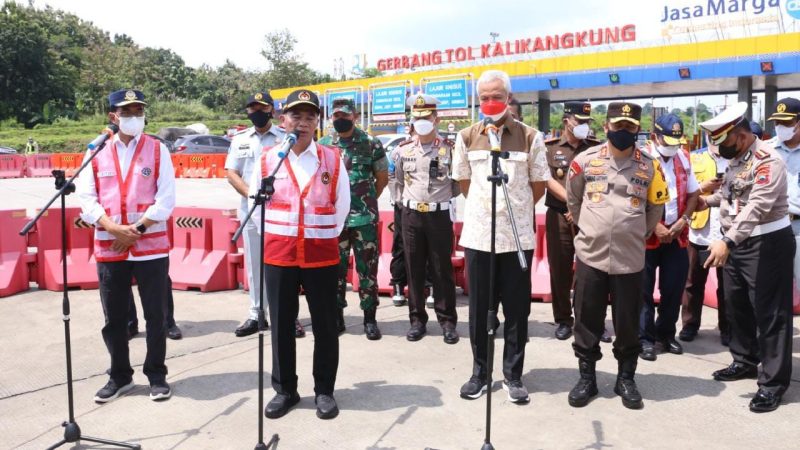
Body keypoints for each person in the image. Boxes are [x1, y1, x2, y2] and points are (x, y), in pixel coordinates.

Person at [251, 89, 349, 420]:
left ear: (318, 122)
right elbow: (256, 206)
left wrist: (322, 235)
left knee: (324, 324)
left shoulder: (332, 159)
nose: (303, 123)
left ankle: (324, 390)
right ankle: (285, 390)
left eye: (310, 117)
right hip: (279, 254)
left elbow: (342, 206)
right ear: (283, 120)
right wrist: (281, 237)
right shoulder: (267, 160)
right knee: (280, 324)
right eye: (296, 116)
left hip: (321, 253)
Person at [452, 70, 549, 404]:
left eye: (497, 96)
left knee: (517, 312)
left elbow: (537, 184)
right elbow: (464, 184)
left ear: (509, 98)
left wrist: (514, 211)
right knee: (479, 311)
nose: (490, 102)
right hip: (479, 237)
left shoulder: (530, 136)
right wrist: (486, 211)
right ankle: (480, 373)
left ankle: (513, 375)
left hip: (517, 238)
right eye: (484, 97)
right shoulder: (465, 137)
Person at [565, 102, 669, 409]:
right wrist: (589, 228)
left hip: (629, 259)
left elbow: (656, 208)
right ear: (607, 125)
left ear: (638, 129)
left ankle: (626, 379)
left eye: (629, 126)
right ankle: (587, 379)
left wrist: (637, 233)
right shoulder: (584, 160)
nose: (623, 131)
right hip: (591, 256)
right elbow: (573, 200)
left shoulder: (650, 166)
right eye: (618, 125)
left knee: (627, 323)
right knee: (586, 320)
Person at [77, 89, 175, 403]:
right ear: (113, 116)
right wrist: (112, 228)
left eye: (138, 110)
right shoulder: (96, 151)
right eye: (127, 111)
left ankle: (157, 376)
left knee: (155, 317)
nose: (134, 116)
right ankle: (120, 377)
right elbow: (86, 198)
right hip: (110, 247)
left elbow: (166, 199)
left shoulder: (158, 150)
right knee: (114, 318)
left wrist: (136, 229)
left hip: (151, 247)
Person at [699, 102, 794, 413]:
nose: (719, 148)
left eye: (722, 142)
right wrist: (705, 200)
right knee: (737, 305)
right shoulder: (738, 159)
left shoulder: (768, 161)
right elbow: (732, 197)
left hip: (766, 244)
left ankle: (772, 383)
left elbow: (758, 206)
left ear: (739, 136)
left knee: (770, 314)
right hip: (737, 244)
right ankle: (744, 360)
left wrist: (726, 240)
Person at [225, 92, 305, 339]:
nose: (257, 112)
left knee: (285, 265)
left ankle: (289, 316)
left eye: (262, 107)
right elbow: (232, 173)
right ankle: (257, 314)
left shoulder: (285, 137)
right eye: (252, 108)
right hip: (251, 211)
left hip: (280, 212)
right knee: (255, 265)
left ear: (272, 110)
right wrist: (252, 195)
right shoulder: (240, 140)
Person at [319, 99, 389, 340]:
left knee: (367, 271)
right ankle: (337, 317)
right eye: (336, 115)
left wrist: (364, 202)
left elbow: (381, 178)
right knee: (334, 271)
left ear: (355, 116)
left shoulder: (371, 143)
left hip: (364, 220)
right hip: (334, 221)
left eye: (345, 115)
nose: (340, 119)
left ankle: (370, 319)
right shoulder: (324, 145)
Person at [394, 93, 460, 344]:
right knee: (414, 269)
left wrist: (440, 200)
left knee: (442, 269)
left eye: (427, 116)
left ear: (436, 119)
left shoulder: (449, 150)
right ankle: (417, 320)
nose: (422, 121)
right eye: (417, 117)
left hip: (439, 214)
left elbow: (457, 184)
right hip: (411, 215)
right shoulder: (402, 151)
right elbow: (397, 182)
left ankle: (447, 321)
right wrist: (406, 205)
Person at [639, 114, 699, 361]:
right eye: (668, 140)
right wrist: (656, 227)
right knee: (642, 291)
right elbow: (631, 200)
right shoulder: (640, 158)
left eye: (676, 141)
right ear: (654, 136)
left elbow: (694, 194)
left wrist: (683, 220)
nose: (672, 146)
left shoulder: (683, 157)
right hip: (646, 237)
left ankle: (666, 335)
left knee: (673, 289)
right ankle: (644, 339)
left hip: (677, 235)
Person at [543, 101, 602, 341]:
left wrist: (580, 208)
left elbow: (601, 181)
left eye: (587, 122)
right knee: (560, 269)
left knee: (589, 269)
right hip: (559, 215)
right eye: (580, 121)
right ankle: (564, 320)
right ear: (567, 121)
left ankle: (587, 319)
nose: (584, 126)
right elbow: (546, 179)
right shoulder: (550, 148)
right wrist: (571, 204)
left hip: (589, 215)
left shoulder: (596, 148)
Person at [679, 134, 730, 345]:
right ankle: (690, 325)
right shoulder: (694, 158)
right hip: (700, 230)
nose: (717, 144)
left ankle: (728, 328)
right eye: (714, 139)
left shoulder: (735, 158)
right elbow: (686, 191)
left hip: (726, 231)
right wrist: (704, 185)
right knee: (693, 281)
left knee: (727, 285)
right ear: (708, 139)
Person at [766, 97, 800, 284]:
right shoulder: (767, 150)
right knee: (772, 287)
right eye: (778, 122)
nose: (781, 126)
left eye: (787, 122)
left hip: (798, 227)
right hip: (770, 225)